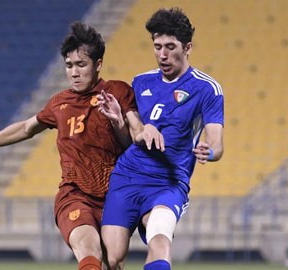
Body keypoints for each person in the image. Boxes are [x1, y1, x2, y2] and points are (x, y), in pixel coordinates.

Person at [0, 21, 161, 270]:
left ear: (98, 65)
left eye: (81, 65)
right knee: (89, 250)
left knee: (113, 264)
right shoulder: (59, 103)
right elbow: (25, 128)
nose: (74, 72)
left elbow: (133, 141)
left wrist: (118, 123)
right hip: (75, 195)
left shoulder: (117, 92)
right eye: (69, 66)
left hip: (114, 197)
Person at [98, 7, 224, 270]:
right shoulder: (141, 82)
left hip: (168, 182)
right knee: (112, 259)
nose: (162, 54)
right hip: (127, 178)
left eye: (170, 46)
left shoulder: (206, 88)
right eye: (157, 47)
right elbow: (132, 137)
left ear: (187, 47)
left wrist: (208, 152)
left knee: (160, 237)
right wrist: (120, 122)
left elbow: (216, 142)